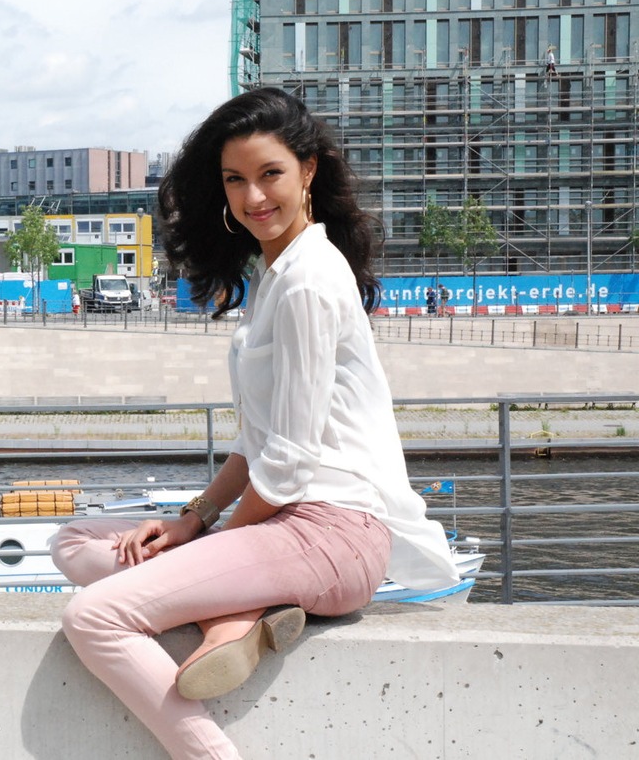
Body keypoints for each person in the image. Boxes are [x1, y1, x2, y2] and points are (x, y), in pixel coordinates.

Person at [51, 87, 459, 759]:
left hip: (333, 531)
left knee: (94, 616)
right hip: (287, 523)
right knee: (76, 542)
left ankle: (211, 741)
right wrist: (194, 518)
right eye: (234, 180)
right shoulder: (276, 275)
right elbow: (258, 441)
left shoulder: (306, 284)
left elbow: (291, 463)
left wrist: (206, 543)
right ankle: (233, 611)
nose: (253, 197)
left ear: (308, 171)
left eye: (269, 174)